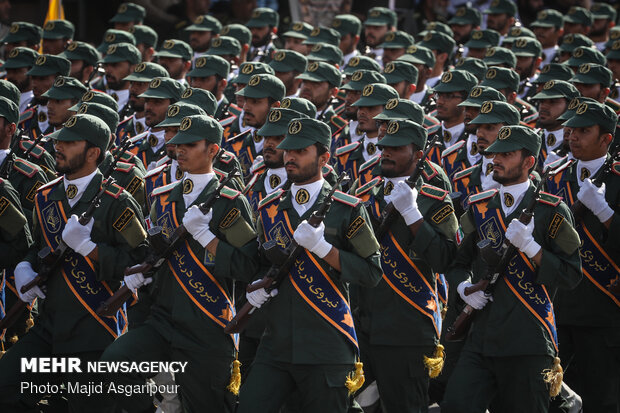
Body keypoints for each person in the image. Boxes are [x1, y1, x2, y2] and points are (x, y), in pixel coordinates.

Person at [101, 114, 259, 413]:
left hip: (208, 323)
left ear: (212, 150)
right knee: (114, 363)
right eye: (177, 144)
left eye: (190, 144)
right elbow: (153, 251)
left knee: (207, 406)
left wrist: (206, 237)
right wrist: (140, 277)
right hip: (163, 319)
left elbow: (248, 266)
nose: (180, 150)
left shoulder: (229, 202)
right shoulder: (163, 199)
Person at [0, 114, 148, 412]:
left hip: (93, 327)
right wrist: (25, 266)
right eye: (59, 141)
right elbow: (37, 246)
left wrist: (89, 248)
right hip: (49, 324)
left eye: (69, 143)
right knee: (6, 385)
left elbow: (141, 263)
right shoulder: (45, 196)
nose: (59, 147)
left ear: (93, 152)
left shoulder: (116, 200)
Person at [237, 117, 382, 413]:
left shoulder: (346, 208)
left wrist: (323, 248)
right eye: (288, 149)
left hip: (326, 341)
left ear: (323, 157)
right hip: (276, 342)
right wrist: (256, 287)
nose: (289, 156)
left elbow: (371, 272)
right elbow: (262, 262)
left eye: (300, 151)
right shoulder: (269, 207)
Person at [441, 125, 582, 413]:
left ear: (529, 162)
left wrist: (532, 248)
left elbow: (570, 275)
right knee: (456, 405)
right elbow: (457, 262)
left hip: (527, 339)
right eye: (495, 154)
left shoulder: (551, 210)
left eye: (507, 154)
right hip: (482, 337)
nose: (497, 160)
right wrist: (463, 289)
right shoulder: (479, 207)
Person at [354, 119, 458, 412]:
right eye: (383, 146)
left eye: (396, 148)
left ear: (419, 155)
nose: (386, 152)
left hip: (407, 329)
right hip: (362, 323)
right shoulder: (363, 195)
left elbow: (445, 258)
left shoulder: (434, 200)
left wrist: (412, 214)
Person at [544, 100, 620, 413]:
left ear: (606, 139)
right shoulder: (554, 177)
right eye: (571, 129)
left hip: (604, 310)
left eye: (584, 131)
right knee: (553, 396)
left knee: (601, 399)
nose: (573, 136)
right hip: (559, 308)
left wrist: (604, 212)